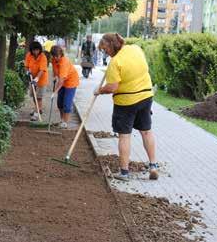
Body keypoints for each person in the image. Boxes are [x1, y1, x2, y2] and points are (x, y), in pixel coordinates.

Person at [94, 33, 158, 181]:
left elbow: (112, 87)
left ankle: (124, 172)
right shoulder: (135, 48)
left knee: (124, 135)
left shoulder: (115, 62)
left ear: (110, 45)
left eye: (105, 49)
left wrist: (99, 90)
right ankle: (153, 166)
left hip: (126, 102)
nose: (106, 53)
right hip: (146, 96)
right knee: (146, 131)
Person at [51, 45, 79, 129]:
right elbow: (55, 70)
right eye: (54, 56)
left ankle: (65, 123)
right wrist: (55, 76)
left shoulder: (64, 62)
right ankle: (62, 120)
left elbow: (61, 81)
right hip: (62, 80)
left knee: (67, 103)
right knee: (60, 103)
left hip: (71, 82)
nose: (56, 58)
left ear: (61, 54)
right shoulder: (53, 60)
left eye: (57, 56)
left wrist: (55, 92)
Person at [24, 41, 49, 121]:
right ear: (31, 50)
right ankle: (38, 108)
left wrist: (37, 78)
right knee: (34, 96)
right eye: (34, 50)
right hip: (32, 78)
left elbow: (42, 70)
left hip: (41, 79)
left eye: (37, 50)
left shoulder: (43, 57)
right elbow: (26, 66)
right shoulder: (29, 55)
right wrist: (27, 71)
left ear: (40, 50)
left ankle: (36, 114)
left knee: (38, 97)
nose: (35, 52)